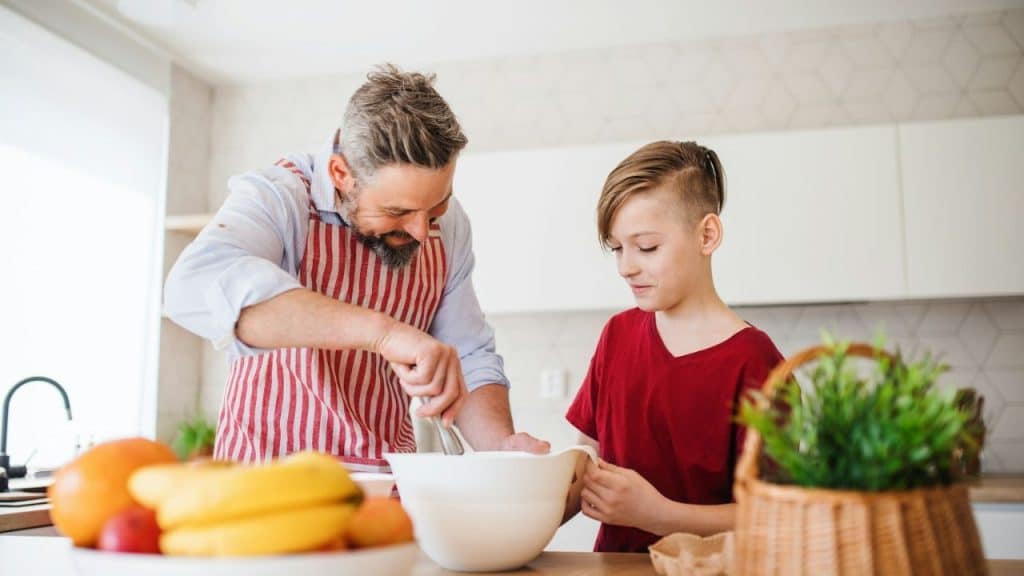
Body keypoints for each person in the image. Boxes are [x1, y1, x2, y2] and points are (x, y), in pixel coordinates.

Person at [164, 64, 548, 471]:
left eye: (436, 207)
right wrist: (384, 335)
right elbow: (192, 286)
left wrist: (501, 448)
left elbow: (469, 355)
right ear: (341, 174)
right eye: (397, 211)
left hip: (387, 488)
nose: (422, 231)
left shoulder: (450, 228)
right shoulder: (281, 197)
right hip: (266, 487)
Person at [563, 141, 783, 552]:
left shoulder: (756, 363)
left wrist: (657, 513)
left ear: (707, 234)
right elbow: (586, 460)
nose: (627, 266)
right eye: (617, 249)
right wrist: (523, 501)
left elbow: (772, 516)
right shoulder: (617, 336)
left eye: (646, 247)